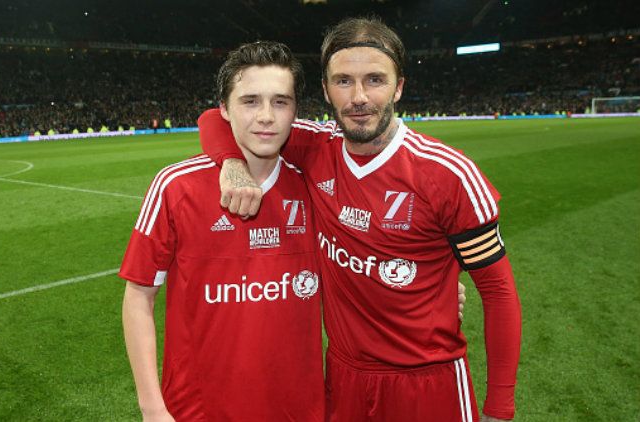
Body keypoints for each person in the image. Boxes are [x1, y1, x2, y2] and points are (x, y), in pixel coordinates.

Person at [198, 17, 521, 422]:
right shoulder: (316, 147)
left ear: (399, 86)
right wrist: (231, 163)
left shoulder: (448, 174)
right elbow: (216, 117)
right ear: (325, 89)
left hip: (427, 380)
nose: (359, 96)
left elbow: (498, 292)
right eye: (343, 81)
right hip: (344, 376)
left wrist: (500, 407)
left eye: (375, 79)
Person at [119, 41, 324, 421]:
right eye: (250, 101)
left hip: (300, 409)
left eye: (281, 102)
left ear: (296, 110)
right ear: (224, 110)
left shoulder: (316, 187)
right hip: (197, 410)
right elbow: (138, 296)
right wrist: (152, 409)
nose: (266, 116)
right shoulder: (175, 186)